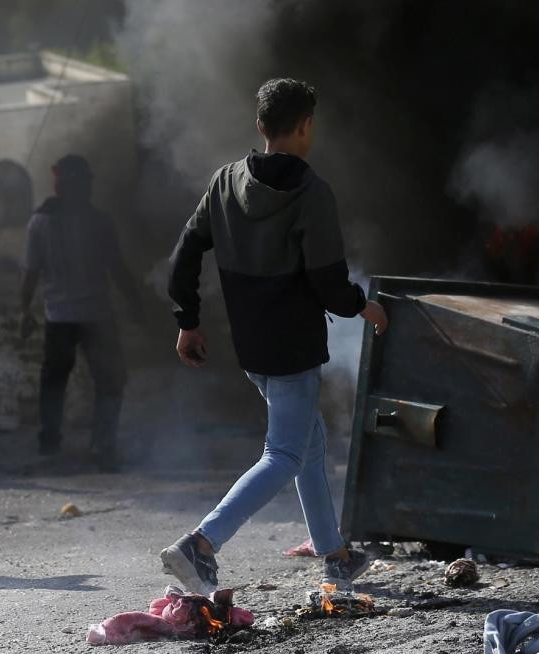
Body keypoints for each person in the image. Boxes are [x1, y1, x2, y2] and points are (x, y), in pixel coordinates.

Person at [159, 78, 388, 595]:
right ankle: (200, 545)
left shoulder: (224, 182)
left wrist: (187, 320)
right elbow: (329, 285)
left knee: (309, 441)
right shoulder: (311, 193)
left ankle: (334, 555)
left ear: (260, 126)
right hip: (294, 346)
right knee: (284, 452)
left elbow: (185, 253)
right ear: (306, 126)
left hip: (252, 346)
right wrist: (364, 307)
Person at [20, 154, 141, 466]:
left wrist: (24, 311)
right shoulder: (98, 222)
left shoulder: (39, 221)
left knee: (54, 381)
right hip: (95, 316)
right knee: (110, 379)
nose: (87, 188)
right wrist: (136, 305)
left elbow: (31, 273)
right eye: (84, 182)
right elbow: (118, 269)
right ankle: (102, 446)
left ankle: (50, 444)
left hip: (58, 317)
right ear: (73, 184)